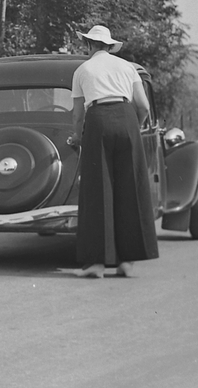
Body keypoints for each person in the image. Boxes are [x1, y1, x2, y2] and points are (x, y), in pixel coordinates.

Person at [67, 24, 159, 278]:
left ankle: (96, 263)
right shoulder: (127, 67)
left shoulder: (82, 70)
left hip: (98, 118)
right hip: (127, 117)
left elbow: (77, 114)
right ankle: (128, 262)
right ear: (109, 45)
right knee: (130, 187)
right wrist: (134, 129)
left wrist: (77, 136)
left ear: (88, 45)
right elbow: (143, 106)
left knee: (98, 189)